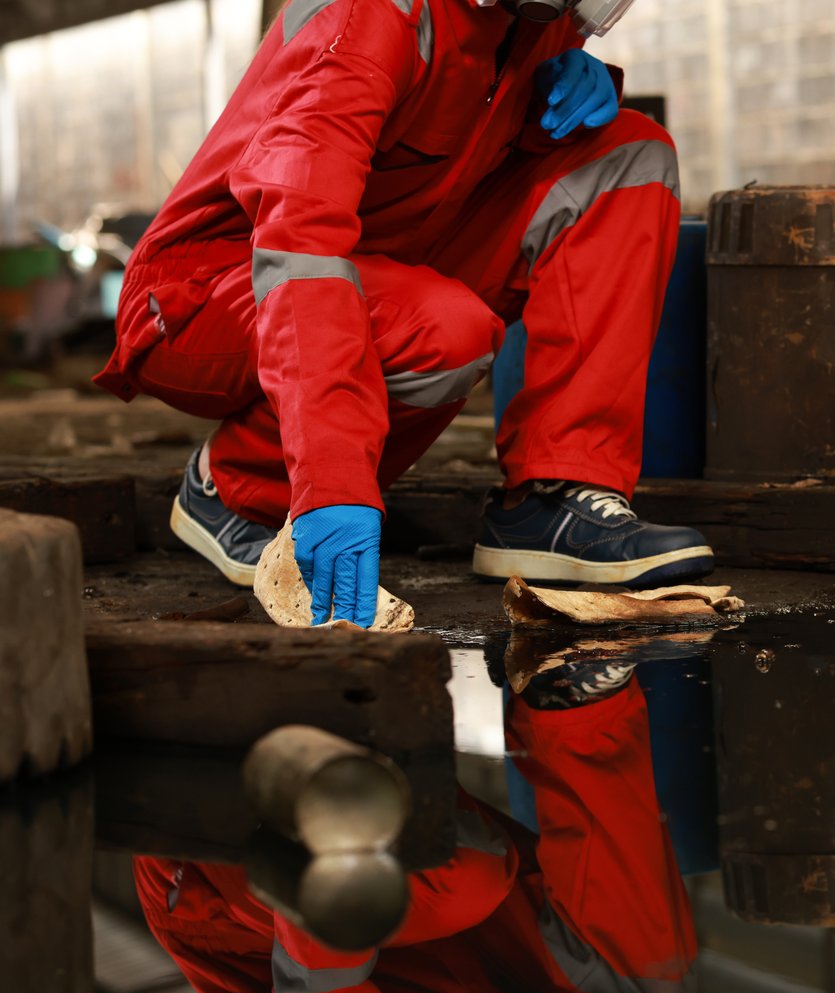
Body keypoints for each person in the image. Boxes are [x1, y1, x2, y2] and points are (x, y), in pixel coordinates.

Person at [96, 0, 714, 628]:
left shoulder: (535, 13)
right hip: (211, 286)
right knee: (444, 335)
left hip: (389, 257)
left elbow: (453, 135)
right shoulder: (367, 14)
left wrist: (550, 98)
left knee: (630, 155)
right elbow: (300, 247)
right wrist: (332, 481)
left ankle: (555, 494)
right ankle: (238, 489)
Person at [136, 671, 697, 993]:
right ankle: (573, 697)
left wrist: (332, 874)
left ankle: (313, 789)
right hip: (412, 880)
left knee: (458, 885)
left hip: (240, 905)